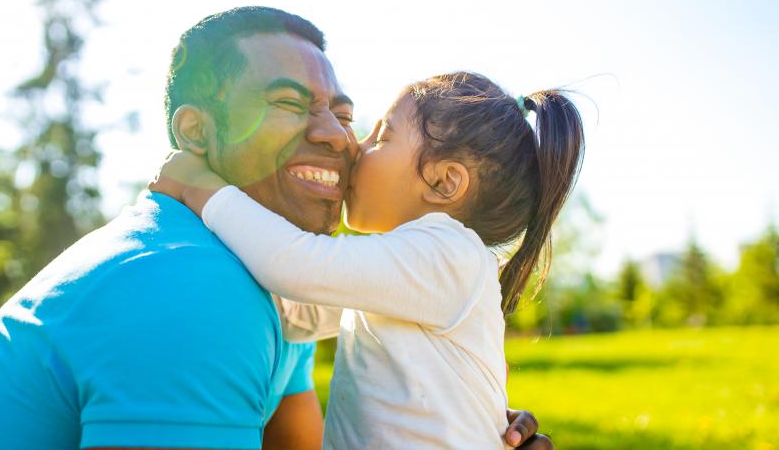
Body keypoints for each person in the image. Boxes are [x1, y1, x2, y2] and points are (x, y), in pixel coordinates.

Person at [0, 7, 550, 449]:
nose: (343, 140)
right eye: (287, 103)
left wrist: (472, 420)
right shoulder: (187, 287)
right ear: (194, 133)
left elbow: (299, 284)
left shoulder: (416, 257)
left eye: (353, 119)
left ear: (445, 184)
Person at [152, 71, 583, 448]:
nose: (356, 147)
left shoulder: (450, 254)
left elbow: (296, 267)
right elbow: (295, 316)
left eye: (382, 136)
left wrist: (201, 188)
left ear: (443, 181)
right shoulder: (404, 275)